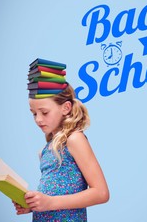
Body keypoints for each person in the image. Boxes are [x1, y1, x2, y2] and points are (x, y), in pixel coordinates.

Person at [13, 59, 109, 221]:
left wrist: (49, 202)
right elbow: (52, 196)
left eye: (44, 112)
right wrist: (34, 204)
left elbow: (101, 193)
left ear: (66, 108)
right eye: (34, 113)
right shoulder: (45, 151)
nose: (38, 119)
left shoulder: (75, 139)